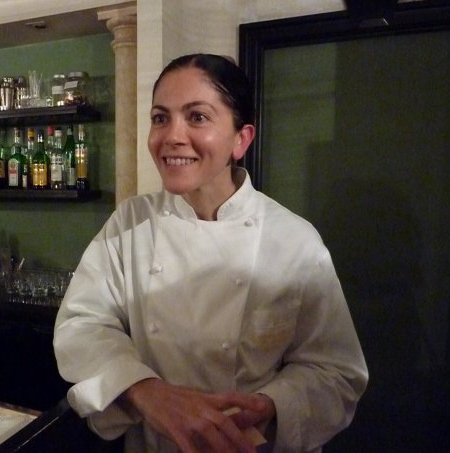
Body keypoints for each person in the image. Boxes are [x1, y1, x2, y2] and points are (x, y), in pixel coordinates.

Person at [54, 53, 368, 452]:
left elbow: (336, 374)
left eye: (197, 117)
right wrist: (145, 390)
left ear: (241, 139)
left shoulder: (294, 240)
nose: (172, 136)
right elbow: (82, 325)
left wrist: (272, 404)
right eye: (160, 117)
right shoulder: (130, 223)